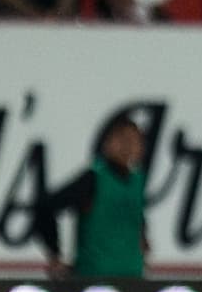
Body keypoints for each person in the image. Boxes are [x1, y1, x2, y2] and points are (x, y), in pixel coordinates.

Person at [32, 112, 148, 278]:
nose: (128, 146)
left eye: (134, 140)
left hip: (132, 278)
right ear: (108, 143)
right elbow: (45, 206)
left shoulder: (136, 182)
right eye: (122, 139)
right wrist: (55, 254)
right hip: (94, 279)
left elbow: (135, 220)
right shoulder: (94, 179)